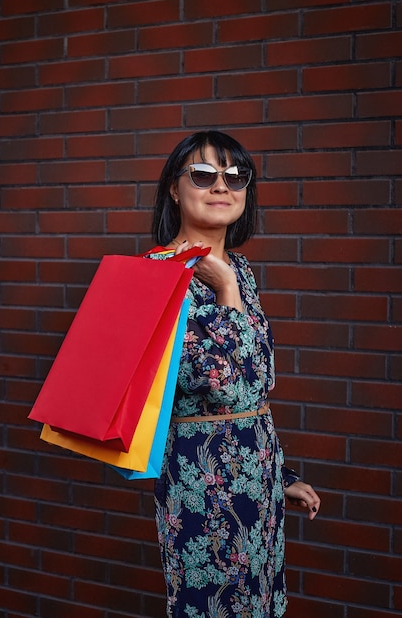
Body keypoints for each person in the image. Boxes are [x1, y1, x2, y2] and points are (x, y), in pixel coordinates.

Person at [148, 130, 321, 618]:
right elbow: (223, 382)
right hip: (202, 484)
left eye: (235, 176)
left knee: (262, 604)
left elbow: (258, 384)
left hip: (256, 477)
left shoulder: (240, 269)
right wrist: (224, 289)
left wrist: (277, 471)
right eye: (203, 174)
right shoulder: (158, 275)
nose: (222, 186)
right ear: (174, 189)